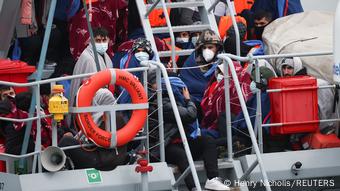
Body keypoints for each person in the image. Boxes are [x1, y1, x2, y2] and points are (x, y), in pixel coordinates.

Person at [147, 71, 230, 191]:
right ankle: (193, 187)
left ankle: (212, 178)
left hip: (182, 140)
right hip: (165, 145)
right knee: (181, 154)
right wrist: (187, 100)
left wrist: (187, 100)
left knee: (207, 141)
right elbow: (189, 115)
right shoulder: (159, 101)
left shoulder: (174, 97)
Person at [58, 88, 128, 171]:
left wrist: (73, 139)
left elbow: (92, 141)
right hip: (111, 158)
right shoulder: (118, 117)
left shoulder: (106, 119)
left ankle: (51, 166)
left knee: (66, 141)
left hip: (103, 161)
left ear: (99, 101)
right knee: (69, 140)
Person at [69, 27, 113, 108]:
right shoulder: (88, 58)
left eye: (104, 40)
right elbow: (89, 86)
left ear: (108, 40)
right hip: (88, 100)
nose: (101, 43)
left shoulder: (106, 57)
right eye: (98, 40)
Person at [180, 29, 223, 109]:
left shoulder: (223, 61)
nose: (207, 50)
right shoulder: (192, 61)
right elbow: (186, 82)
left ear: (217, 48)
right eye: (204, 48)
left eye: (210, 47)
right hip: (195, 101)